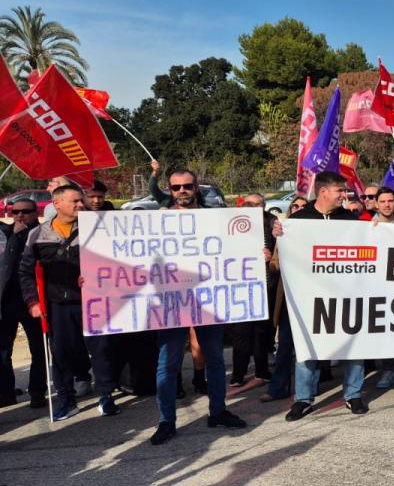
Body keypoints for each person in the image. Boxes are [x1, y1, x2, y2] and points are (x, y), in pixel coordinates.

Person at [146, 170, 246, 444]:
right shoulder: (157, 221)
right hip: (171, 301)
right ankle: (166, 421)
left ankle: (218, 411)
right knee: (168, 363)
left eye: (187, 186)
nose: (182, 191)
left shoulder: (214, 218)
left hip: (207, 298)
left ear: (195, 189)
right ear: (170, 189)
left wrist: (254, 251)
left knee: (214, 359)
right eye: (176, 187)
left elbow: (234, 247)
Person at [18, 185, 121, 420]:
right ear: (57, 204)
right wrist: (32, 301)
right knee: (62, 353)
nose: (80, 205)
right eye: (75, 201)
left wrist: (96, 275)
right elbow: (25, 272)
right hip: (58, 306)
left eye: (80, 201)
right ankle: (66, 398)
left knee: (102, 349)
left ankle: (106, 396)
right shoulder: (38, 234)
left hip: (93, 302)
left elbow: (113, 261)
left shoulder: (95, 229)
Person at [273, 171, 370, 421]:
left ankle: (354, 394)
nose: (344, 196)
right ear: (324, 191)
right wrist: (279, 239)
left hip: (347, 295)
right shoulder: (297, 221)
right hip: (310, 298)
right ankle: (304, 400)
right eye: (340, 191)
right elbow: (279, 261)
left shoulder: (351, 220)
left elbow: (374, 245)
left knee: (353, 344)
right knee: (307, 346)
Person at [0, 199, 46, 408]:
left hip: (32, 300)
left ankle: (37, 392)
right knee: (3, 350)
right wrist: (15, 235)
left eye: (25, 212)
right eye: (15, 211)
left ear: (35, 213)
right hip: (7, 300)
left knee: (38, 348)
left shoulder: (41, 233)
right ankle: (6, 391)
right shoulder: (6, 232)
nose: (20, 216)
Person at [228, 193, 277, 386]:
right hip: (241, 287)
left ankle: (262, 371)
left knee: (262, 332)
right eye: (249, 204)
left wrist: (270, 255)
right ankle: (238, 374)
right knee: (241, 333)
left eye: (258, 204)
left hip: (265, 286)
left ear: (264, 206)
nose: (254, 207)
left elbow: (281, 253)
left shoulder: (272, 225)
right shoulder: (232, 225)